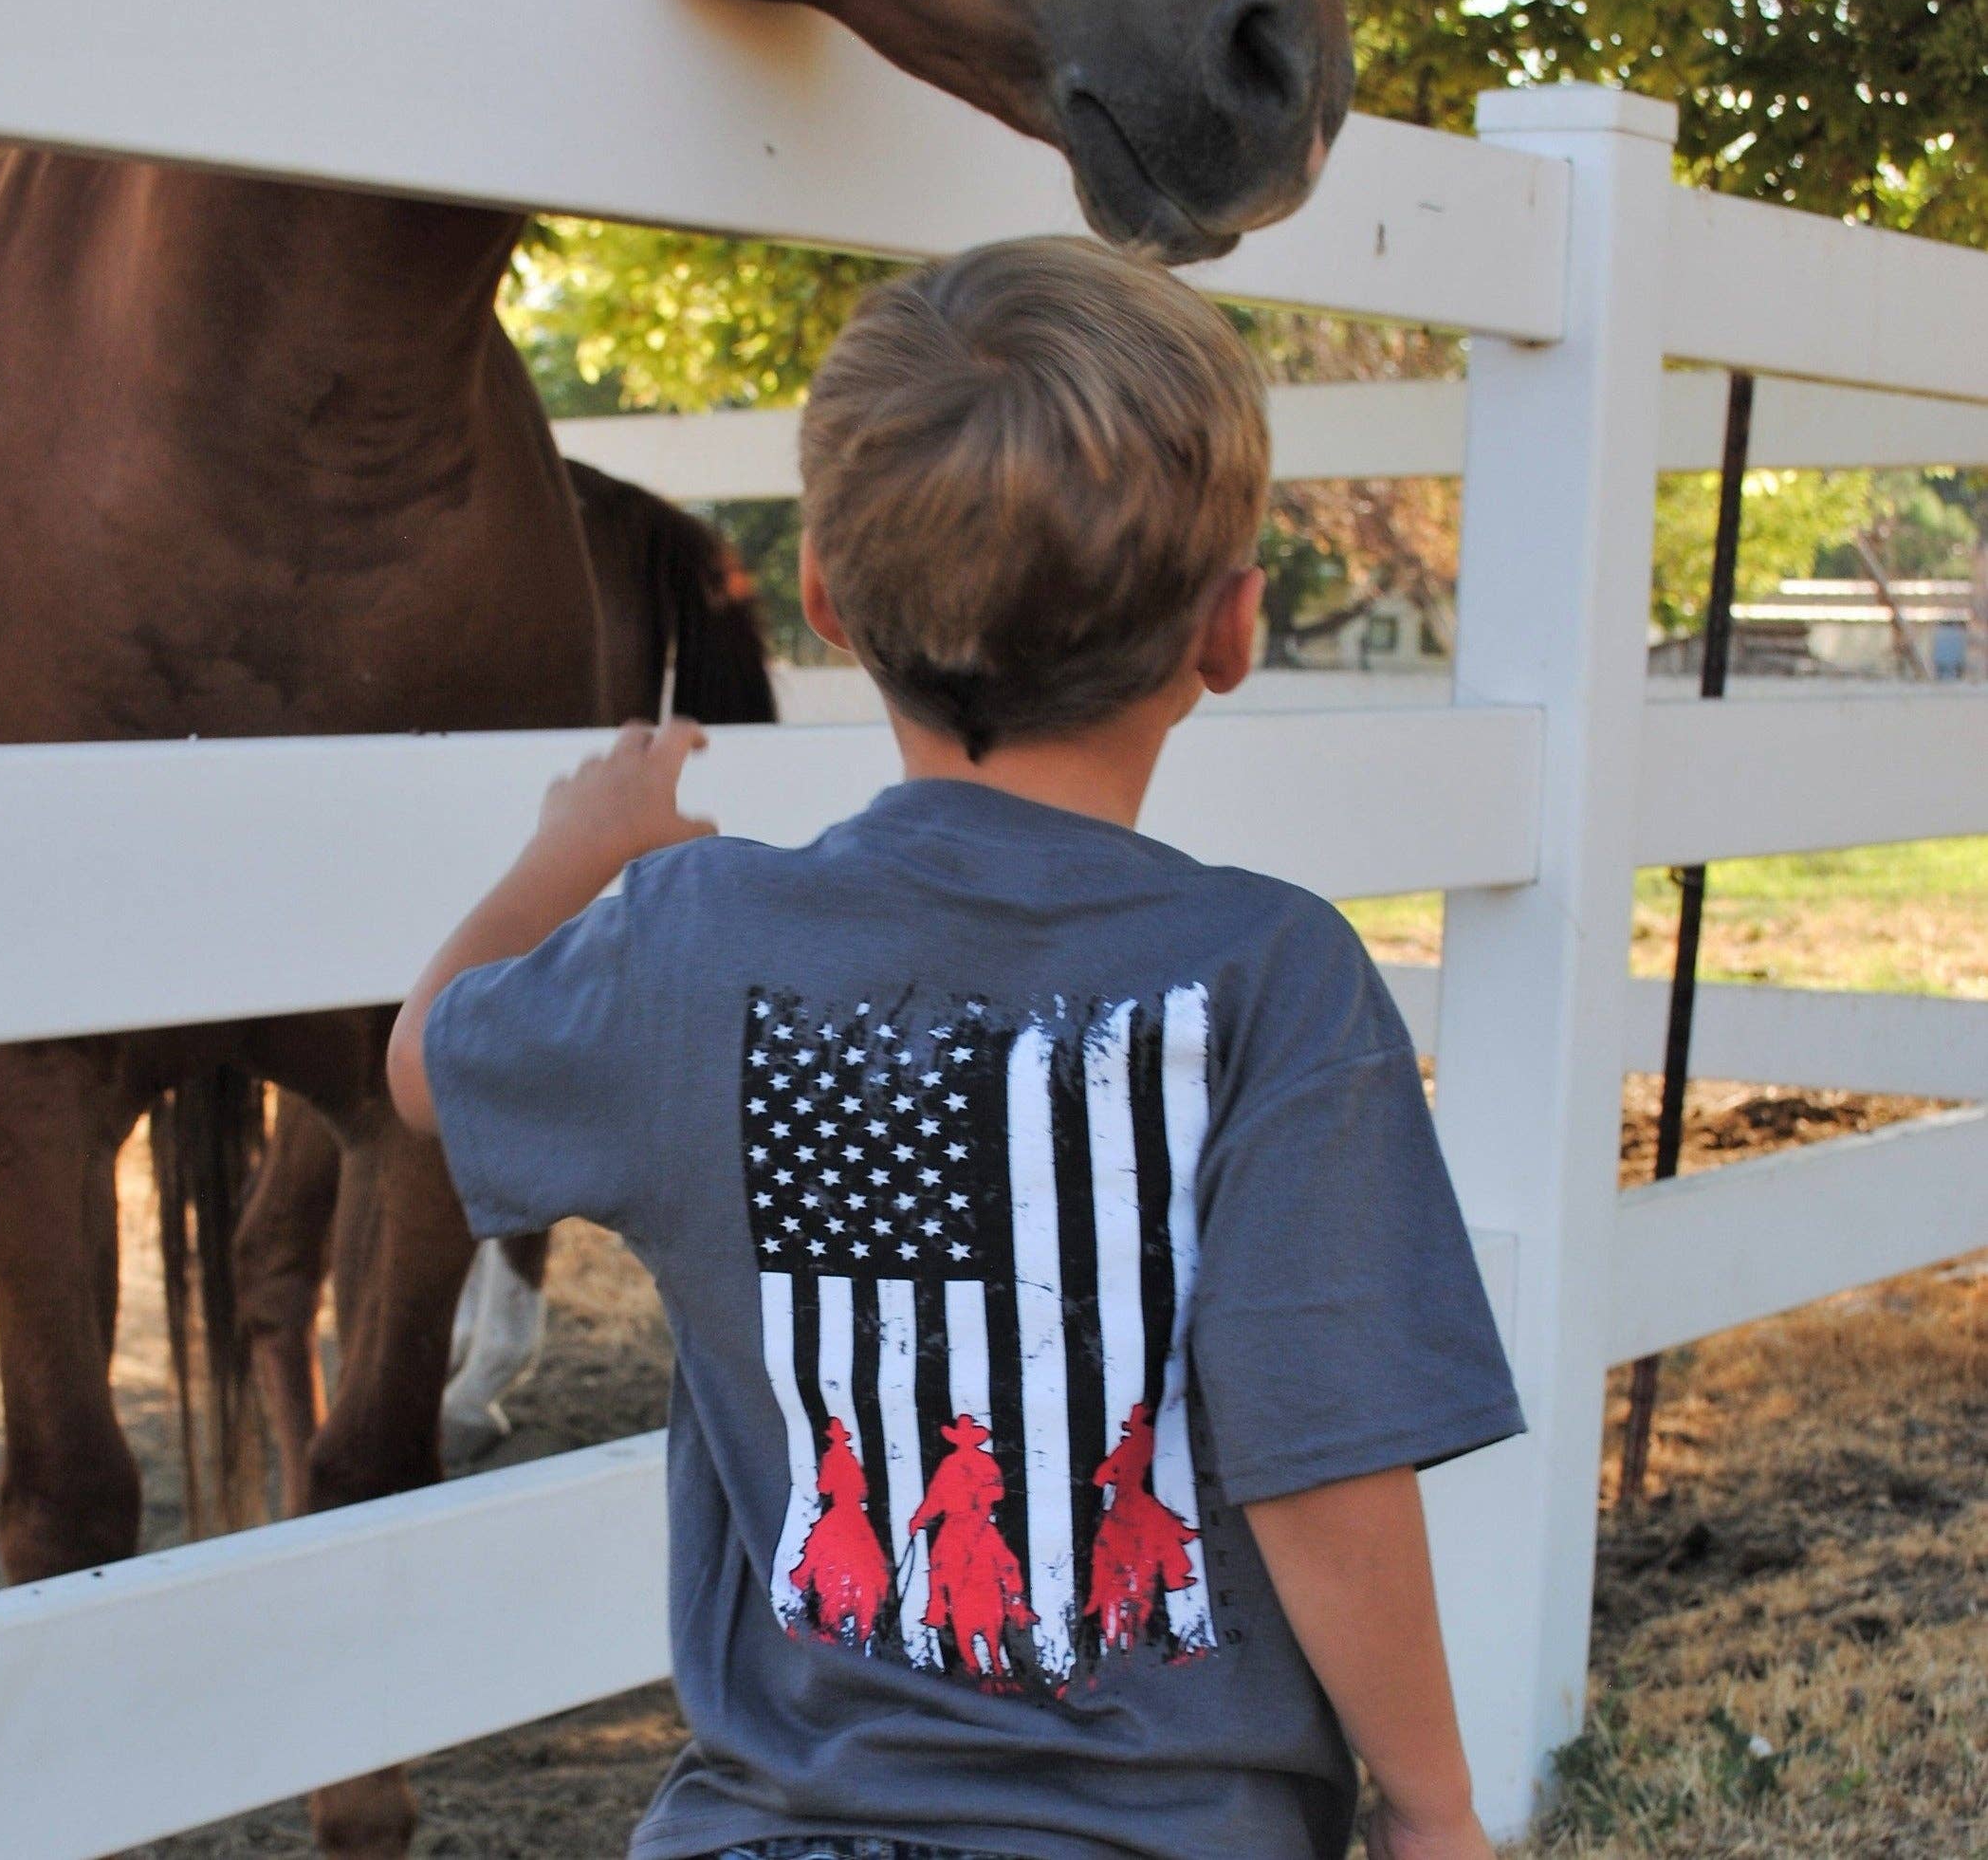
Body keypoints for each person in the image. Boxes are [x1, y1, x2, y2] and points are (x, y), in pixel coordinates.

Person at [388, 237, 1524, 1860]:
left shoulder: (690, 941)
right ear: (1233, 625)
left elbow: (423, 1068)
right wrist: (1433, 1810)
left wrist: (571, 852)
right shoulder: (1273, 982)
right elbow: (1324, 1468)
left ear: (831, 606)